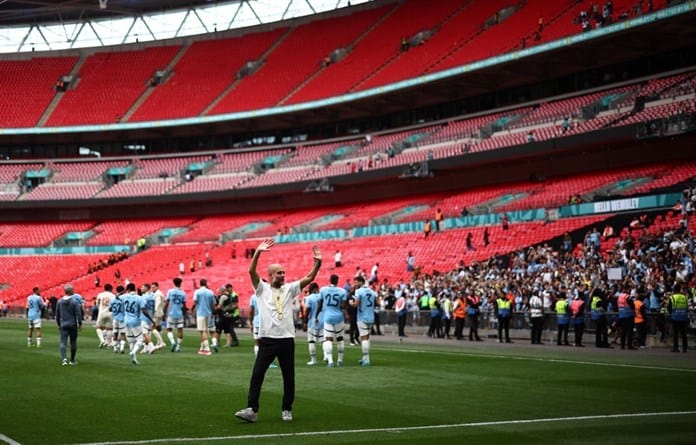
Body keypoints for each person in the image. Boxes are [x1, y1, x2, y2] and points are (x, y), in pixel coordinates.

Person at [235, 239, 321, 423]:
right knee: (257, 374)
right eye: (279, 273)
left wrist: (317, 263)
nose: (283, 275)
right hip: (267, 339)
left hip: (286, 339)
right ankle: (252, 410)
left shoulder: (289, 289)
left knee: (289, 377)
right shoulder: (261, 289)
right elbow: (251, 271)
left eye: (284, 272)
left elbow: (309, 278)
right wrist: (257, 252)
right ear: (271, 274)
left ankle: (287, 409)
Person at [318, 274, 349, 367]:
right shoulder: (342, 291)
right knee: (340, 339)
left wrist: (316, 315)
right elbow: (343, 306)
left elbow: (320, 304)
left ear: (329, 280)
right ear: (337, 281)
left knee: (328, 339)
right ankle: (340, 360)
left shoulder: (323, 290)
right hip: (339, 316)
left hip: (328, 316)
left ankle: (330, 361)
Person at [122, 282, 153, 365]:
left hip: (126, 321)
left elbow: (116, 296)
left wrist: (124, 291)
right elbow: (144, 311)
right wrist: (151, 319)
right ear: (135, 289)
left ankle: (134, 358)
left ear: (127, 289)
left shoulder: (124, 296)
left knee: (131, 341)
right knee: (140, 339)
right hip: (135, 321)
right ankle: (133, 352)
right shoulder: (139, 298)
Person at [351, 275, 376, 366]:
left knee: (363, 338)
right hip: (371, 316)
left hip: (362, 317)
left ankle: (367, 360)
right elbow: (375, 303)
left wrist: (351, 303)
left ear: (361, 282)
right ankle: (364, 358)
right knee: (367, 337)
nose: (355, 284)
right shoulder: (372, 292)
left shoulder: (359, 291)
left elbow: (356, 304)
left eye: (356, 282)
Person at [56, 284, 83, 366]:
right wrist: (80, 323)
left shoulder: (59, 302)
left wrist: (58, 324)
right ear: (71, 291)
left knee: (63, 342)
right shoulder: (74, 302)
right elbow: (78, 314)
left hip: (63, 324)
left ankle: (64, 359)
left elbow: (57, 315)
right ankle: (72, 360)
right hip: (72, 324)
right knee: (73, 342)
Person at [192, 278, 218, 355]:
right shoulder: (210, 292)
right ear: (206, 283)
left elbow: (195, 301)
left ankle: (207, 349)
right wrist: (213, 313)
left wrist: (193, 310)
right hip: (208, 313)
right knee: (205, 330)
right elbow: (213, 304)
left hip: (200, 313)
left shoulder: (197, 292)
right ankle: (202, 347)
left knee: (202, 331)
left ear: (200, 284)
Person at [303, 282, 324, 365]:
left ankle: (313, 360)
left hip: (313, 322)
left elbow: (307, 311)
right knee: (324, 340)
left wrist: (304, 322)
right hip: (323, 321)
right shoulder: (322, 297)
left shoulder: (309, 298)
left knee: (311, 341)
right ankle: (327, 355)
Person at [164, 277, 187, 352]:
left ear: (174, 283)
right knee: (180, 330)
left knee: (169, 329)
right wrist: (184, 313)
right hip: (179, 313)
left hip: (171, 313)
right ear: (181, 283)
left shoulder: (170, 291)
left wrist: (164, 311)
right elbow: (184, 305)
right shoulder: (183, 293)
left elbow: (167, 302)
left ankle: (172, 342)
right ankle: (178, 347)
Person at [668, 283, 689, 353]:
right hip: (684, 317)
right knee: (684, 333)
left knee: (675, 333)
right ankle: (685, 348)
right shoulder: (684, 297)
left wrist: (672, 313)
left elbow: (669, 307)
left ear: (674, 289)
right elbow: (687, 307)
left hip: (675, 317)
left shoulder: (672, 297)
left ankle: (676, 348)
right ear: (680, 289)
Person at [95, 283, 114, 349]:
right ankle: (108, 343)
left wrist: (100, 308)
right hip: (110, 313)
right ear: (110, 289)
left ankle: (102, 340)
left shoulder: (100, 294)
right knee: (110, 329)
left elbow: (97, 303)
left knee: (98, 327)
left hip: (101, 313)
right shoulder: (113, 295)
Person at [110, 285, 127, 354]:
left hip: (115, 318)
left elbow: (110, 309)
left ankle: (115, 348)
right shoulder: (123, 299)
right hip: (122, 318)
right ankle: (122, 348)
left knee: (115, 333)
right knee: (123, 333)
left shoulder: (112, 299)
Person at [150, 282, 167, 350]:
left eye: (153, 287)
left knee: (152, 328)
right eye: (152, 287)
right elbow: (165, 302)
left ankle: (161, 342)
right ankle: (159, 343)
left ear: (157, 287)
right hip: (160, 312)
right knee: (158, 327)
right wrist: (162, 309)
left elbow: (158, 302)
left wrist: (155, 310)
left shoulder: (157, 294)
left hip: (156, 313)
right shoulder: (161, 293)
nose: (152, 288)